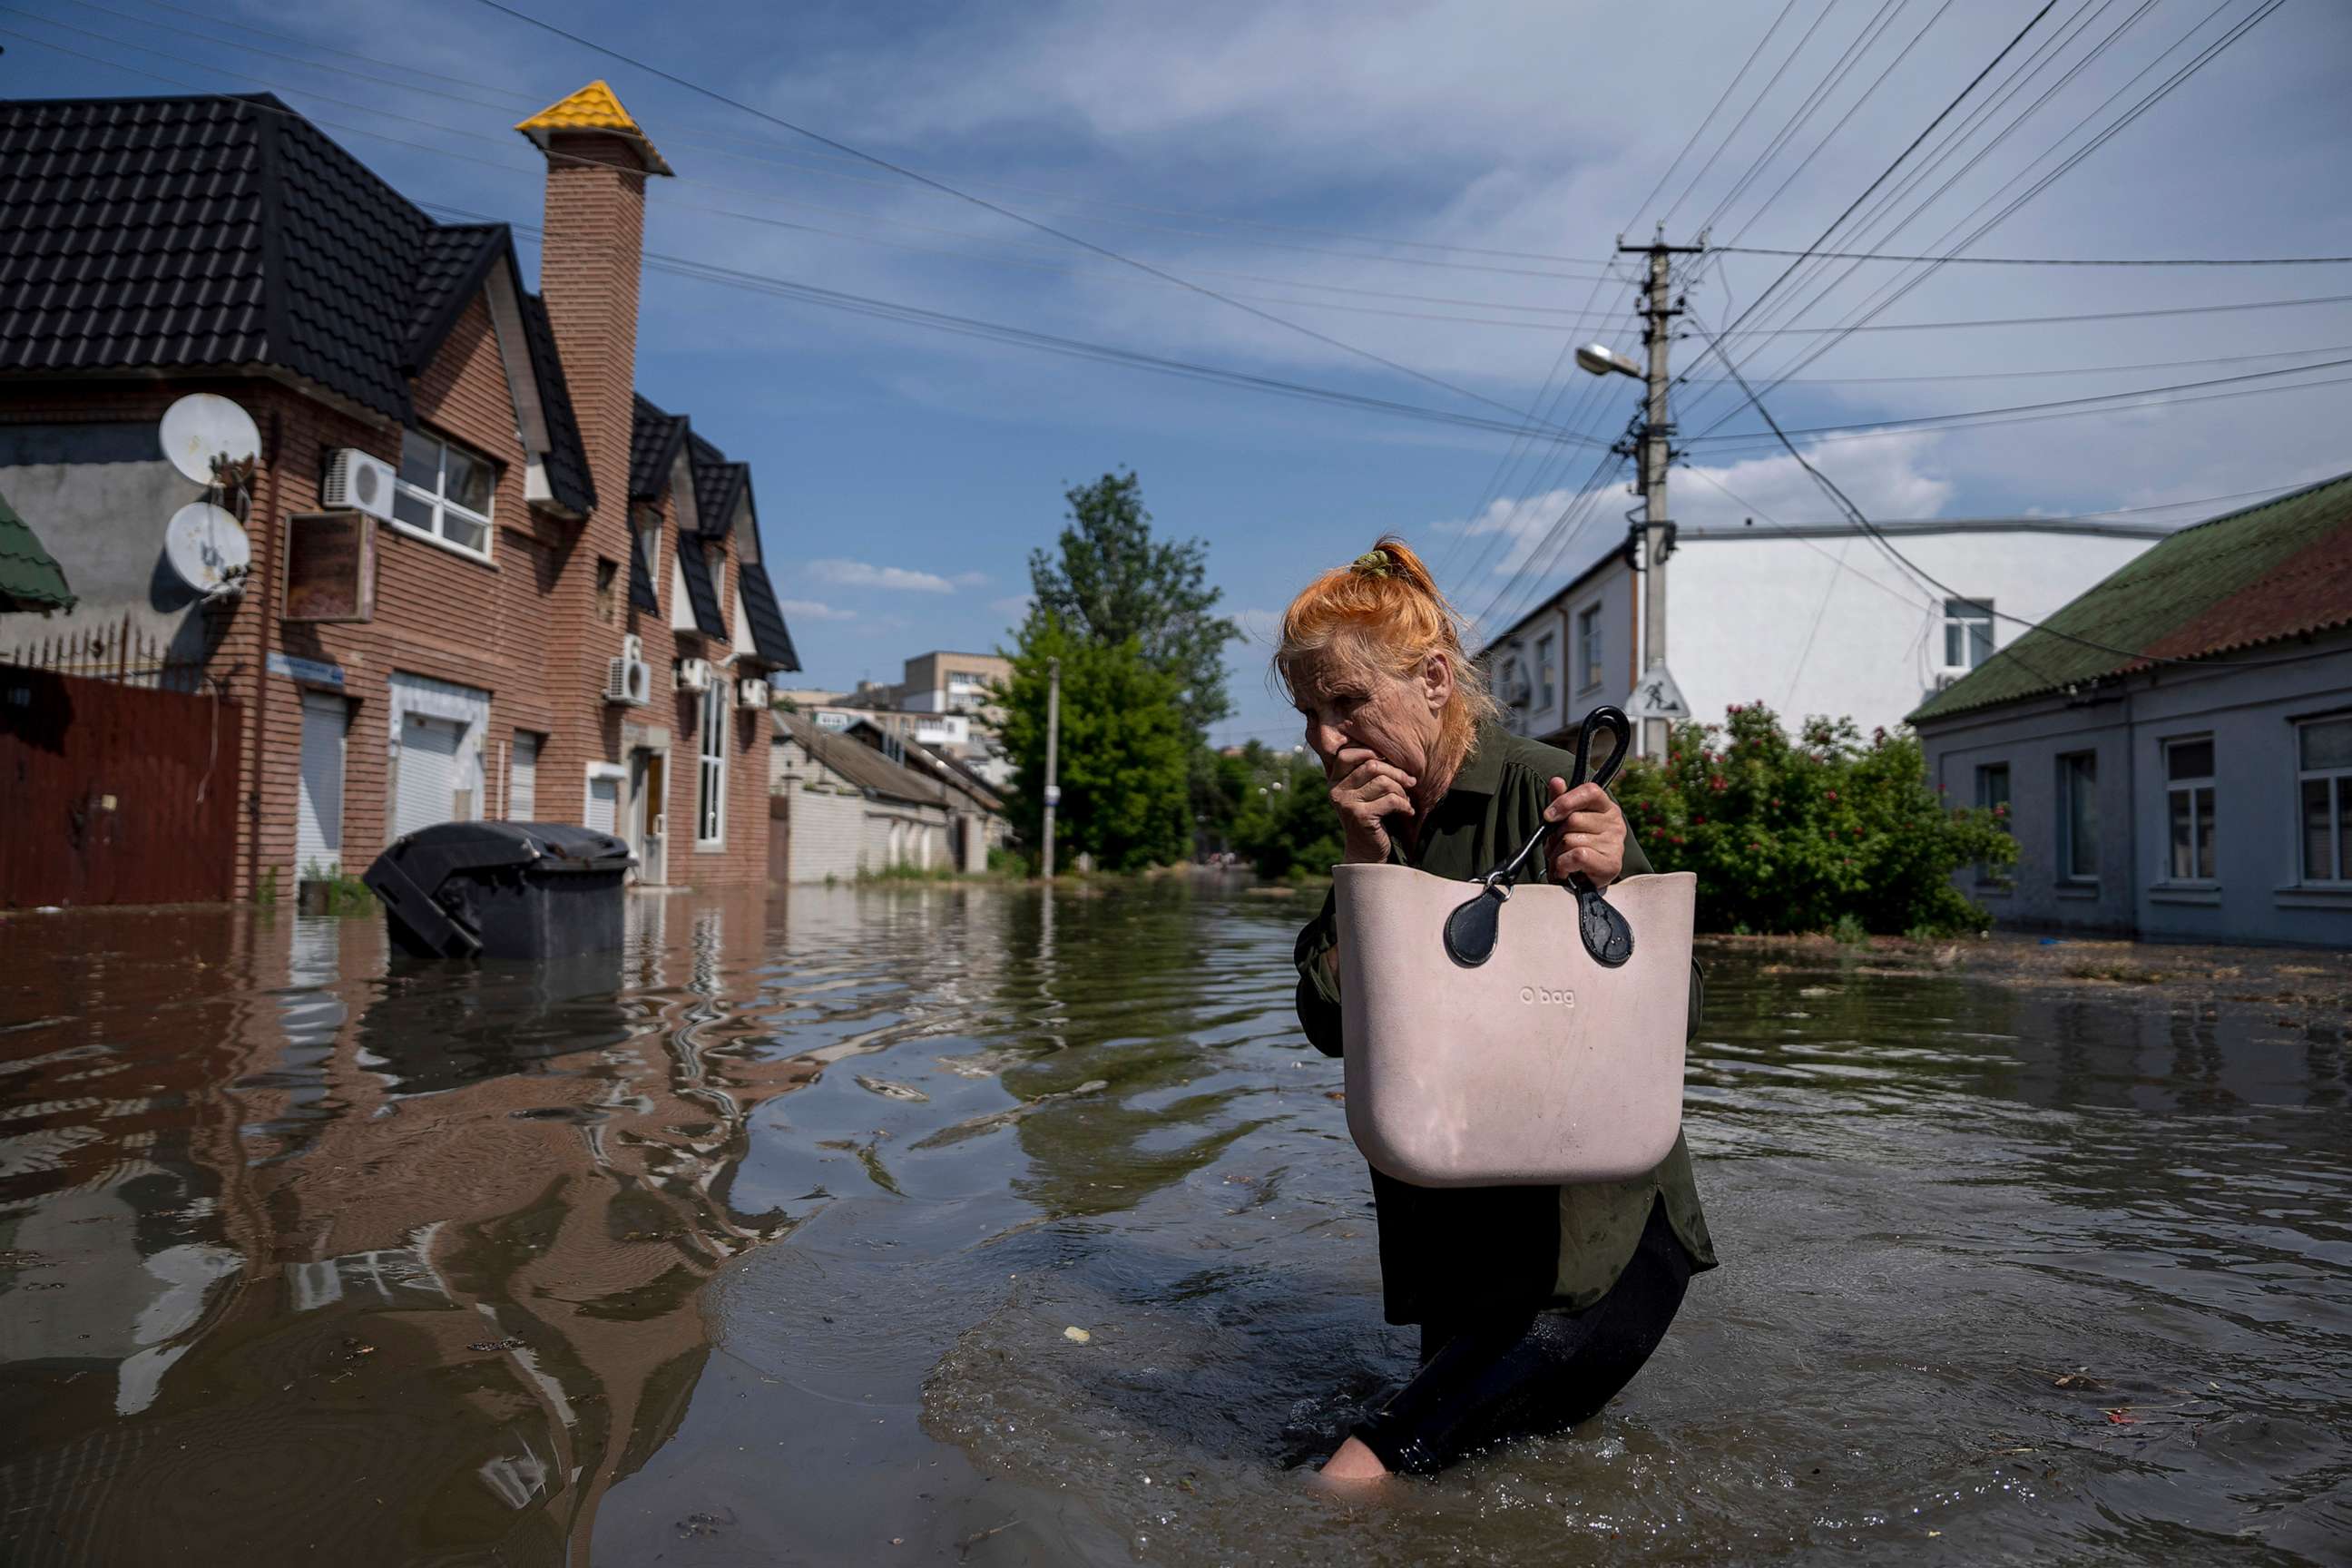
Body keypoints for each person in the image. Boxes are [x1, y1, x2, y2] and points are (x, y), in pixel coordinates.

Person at [1280, 537, 1717, 1481]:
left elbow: (1675, 1021)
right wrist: (1363, 869)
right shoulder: (1380, 823)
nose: (1324, 737)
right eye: (1308, 713)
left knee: (1355, 1480)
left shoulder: (1543, 785)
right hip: (1463, 1253)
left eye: (1347, 702)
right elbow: (1328, 1030)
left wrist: (1614, 871)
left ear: (1435, 679)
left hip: (1590, 1257)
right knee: (1459, 1485)